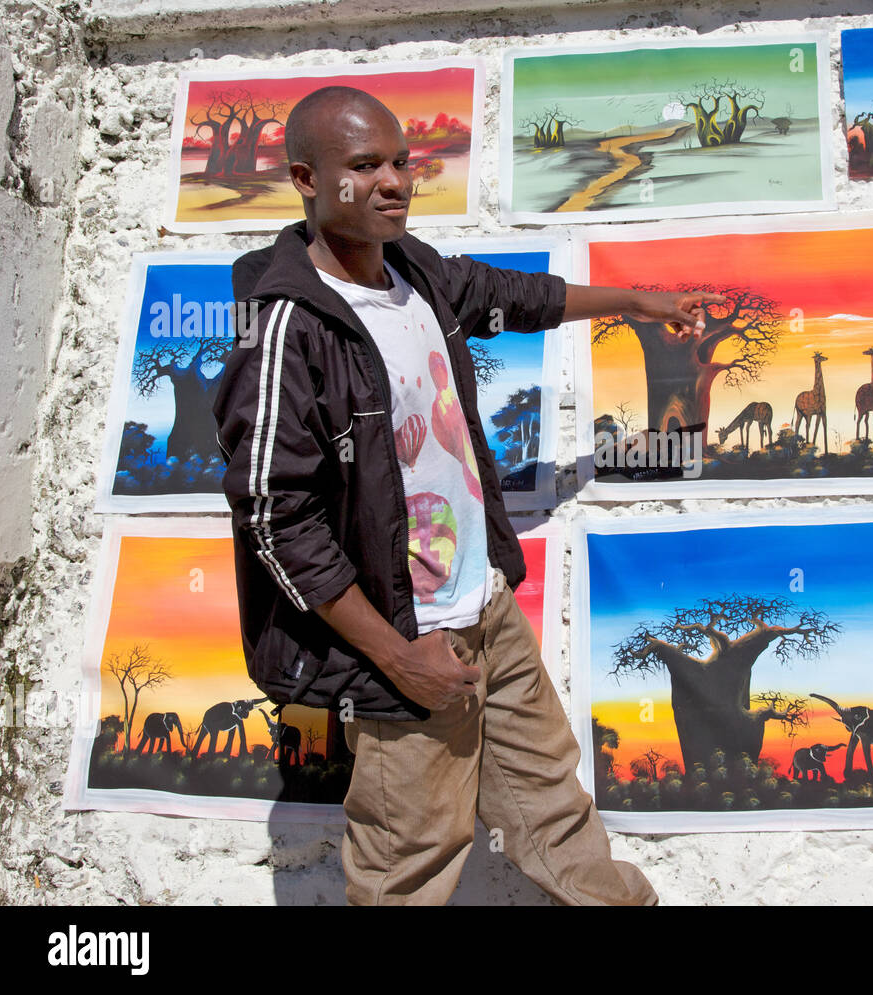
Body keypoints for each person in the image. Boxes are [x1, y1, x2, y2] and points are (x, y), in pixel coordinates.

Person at [212, 85, 724, 905]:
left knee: (553, 803)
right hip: (406, 643)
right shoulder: (284, 326)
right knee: (410, 860)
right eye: (366, 166)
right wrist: (395, 656)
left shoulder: (416, 270)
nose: (394, 182)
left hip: (484, 608)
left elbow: (515, 297)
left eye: (402, 162)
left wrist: (636, 301)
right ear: (307, 179)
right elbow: (277, 518)